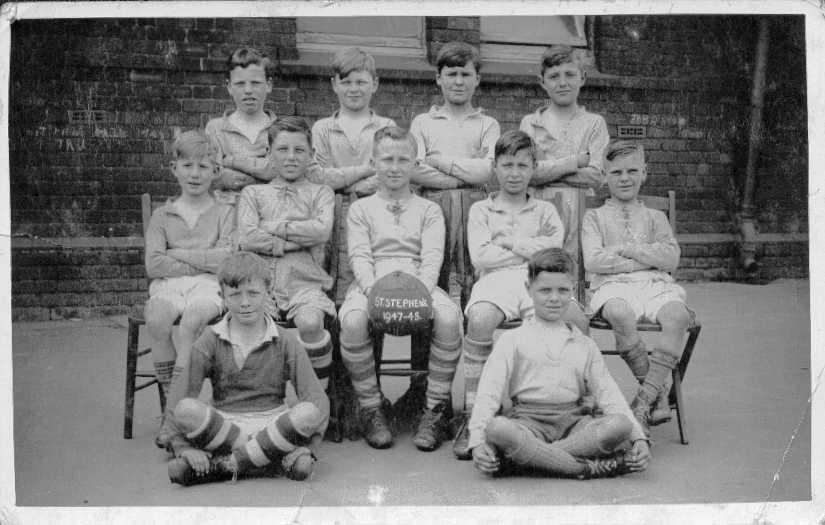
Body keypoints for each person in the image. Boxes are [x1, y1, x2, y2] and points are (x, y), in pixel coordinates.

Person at [469, 248, 650, 479]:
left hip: (574, 423)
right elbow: (488, 393)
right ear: (528, 290)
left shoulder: (584, 344)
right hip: (527, 422)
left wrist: (638, 438)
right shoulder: (512, 340)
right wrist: (476, 441)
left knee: (621, 425)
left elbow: (609, 394)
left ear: (572, 291)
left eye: (563, 290)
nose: (554, 298)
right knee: (497, 429)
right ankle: (581, 468)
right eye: (545, 290)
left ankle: (527, 462)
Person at [339, 126, 463, 452]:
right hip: (371, 282)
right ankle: (370, 407)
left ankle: (433, 410)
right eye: (387, 159)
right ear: (374, 161)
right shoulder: (361, 208)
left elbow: (433, 256)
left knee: (449, 319)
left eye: (403, 159)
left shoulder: (428, 209)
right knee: (352, 321)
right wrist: (373, 291)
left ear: (415, 163)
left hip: (419, 281)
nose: (394, 167)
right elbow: (360, 256)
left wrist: (417, 294)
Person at [166, 252, 329, 486]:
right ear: (222, 297)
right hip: (225, 425)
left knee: (308, 412)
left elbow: (315, 397)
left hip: (272, 422)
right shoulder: (210, 339)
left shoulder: (284, 340)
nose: (245, 302)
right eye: (235, 295)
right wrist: (182, 447)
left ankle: (223, 465)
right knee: (185, 409)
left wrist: (308, 447)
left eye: (253, 293)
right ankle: (269, 458)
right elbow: (180, 397)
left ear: (268, 293)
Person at [582, 140, 693, 434]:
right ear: (604, 176)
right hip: (613, 285)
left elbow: (671, 257)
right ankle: (656, 394)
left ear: (645, 172)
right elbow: (594, 260)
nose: (625, 178)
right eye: (616, 172)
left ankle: (644, 401)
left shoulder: (656, 216)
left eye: (632, 170)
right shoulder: (594, 217)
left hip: (655, 284)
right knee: (619, 312)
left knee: (678, 316)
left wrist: (626, 250)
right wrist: (646, 256)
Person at [144, 130, 233, 447]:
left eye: (204, 167)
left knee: (193, 322)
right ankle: (175, 402)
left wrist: (177, 254)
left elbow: (225, 262)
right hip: (167, 286)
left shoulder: (224, 211)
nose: (195, 174)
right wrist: (202, 260)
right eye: (188, 166)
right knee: (157, 318)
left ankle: (173, 419)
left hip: (208, 287)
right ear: (174, 168)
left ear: (216, 171)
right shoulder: (162, 215)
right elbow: (154, 265)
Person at [236, 116, 336, 392]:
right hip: (259, 283)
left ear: (311, 154)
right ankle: (261, 398)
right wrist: (293, 240)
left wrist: (269, 228)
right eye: (282, 150)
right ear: (269, 153)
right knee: (251, 327)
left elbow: (321, 232)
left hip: (304, 280)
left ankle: (317, 397)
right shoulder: (253, 193)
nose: (291, 157)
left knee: (310, 322)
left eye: (299, 150)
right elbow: (246, 237)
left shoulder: (321, 193)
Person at [409, 41, 500, 291]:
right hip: (432, 205)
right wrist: (464, 177)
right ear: (439, 78)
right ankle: (431, 329)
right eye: (452, 74)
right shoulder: (423, 122)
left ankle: (473, 328)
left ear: (477, 79)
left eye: (465, 74)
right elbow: (415, 170)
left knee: (473, 277)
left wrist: (437, 161)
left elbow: (486, 171)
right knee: (432, 273)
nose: (458, 82)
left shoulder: (487, 124)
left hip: (474, 206)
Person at [311, 47, 396, 303]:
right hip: (330, 211)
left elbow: (388, 172)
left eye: (361, 82)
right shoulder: (324, 128)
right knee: (329, 279)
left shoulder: (385, 126)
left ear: (375, 84)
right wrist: (366, 169)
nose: (354, 89)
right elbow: (319, 176)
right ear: (334, 85)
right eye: (346, 82)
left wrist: (349, 183)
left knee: (369, 275)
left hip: (374, 211)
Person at [519, 44, 609, 259]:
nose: (562, 83)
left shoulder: (594, 123)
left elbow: (596, 175)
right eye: (554, 76)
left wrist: (546, 172)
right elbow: (527, 174)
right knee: (542, 271)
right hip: (539, 209)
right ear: (542, 81)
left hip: (581, 210)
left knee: (577, 276)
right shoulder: (531, 123)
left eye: (569, 74)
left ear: (583, 77)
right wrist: (575, 162)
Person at [205, 46, 277, 209]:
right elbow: (211, 176)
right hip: (227, 215)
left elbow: (282, 174)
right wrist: (260, 171)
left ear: (269, 85)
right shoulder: (215, 129)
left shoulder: (281, 130)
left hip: (270, 214)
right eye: (240, 84)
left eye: (256, 83)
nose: (248, 90)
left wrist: (231, 163)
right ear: (229, 86)